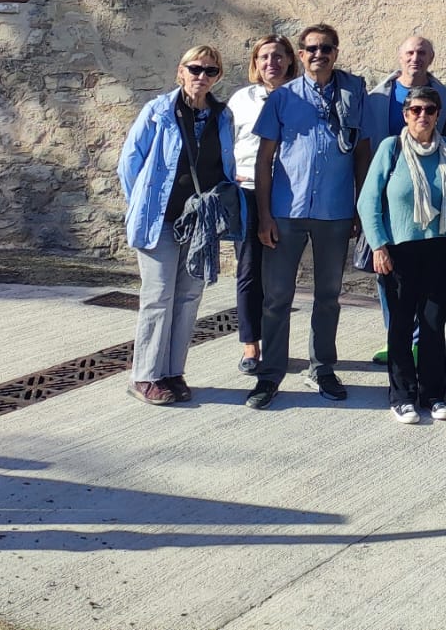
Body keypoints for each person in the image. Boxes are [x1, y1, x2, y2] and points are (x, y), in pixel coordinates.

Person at [248, 23, 368, 409]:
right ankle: (270, 376)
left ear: (336, 53)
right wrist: (264, 215)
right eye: (312, 48)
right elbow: (264, 159)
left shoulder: (354, 93)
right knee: (277, 297)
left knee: (328, 296)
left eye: (327, 48)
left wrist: (359, 207)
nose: (319, 54)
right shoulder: (283, 98)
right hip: (287, 211)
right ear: (301, 55)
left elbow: (362, 153)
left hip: (334, 211)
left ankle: (323, 367)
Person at [118, 45, 236, 405]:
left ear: (218, 77)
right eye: (195, 68)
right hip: (161, 221)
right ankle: (145, 376)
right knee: (158, 297)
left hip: (200, 225)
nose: (202, 76)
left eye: (210, 71)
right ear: (180, 71)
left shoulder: (222, 116)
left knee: (188, 297)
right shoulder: (158, 112)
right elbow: (129, 165)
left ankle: (172, 372)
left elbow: (226, 165)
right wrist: (143, 203)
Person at [358, 85, 446, 425]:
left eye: (429, 110)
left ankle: (432, 394)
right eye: (415, 110)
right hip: (398, 250)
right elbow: (368, 201)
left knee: (434, 325)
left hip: (441, 248)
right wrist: (378, 245)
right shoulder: (392, 149)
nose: (423, 116)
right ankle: (402, 394)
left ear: (437, 114)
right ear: (406, 114)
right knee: (401, 325)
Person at [362, 35, 446, 368]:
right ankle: (396, 339)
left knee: (433, 304)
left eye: (422, 52)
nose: (415, 57)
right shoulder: (378, 99)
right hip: (395, 205)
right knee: (392, 286)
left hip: (437, 224)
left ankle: (422, 348)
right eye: (409, 52)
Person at [226, 34, 294, 374]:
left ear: (289, 62)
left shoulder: (299, 98)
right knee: (250, 270)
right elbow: (225, 142)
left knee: (280, 274)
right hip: (249, 191)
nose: (272, 63)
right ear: (256, 64)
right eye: (265, 57)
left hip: (286, 193)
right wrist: (229, 176)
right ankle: (251, 345)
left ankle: (277, 342)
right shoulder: (242, 100)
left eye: (279, 56)